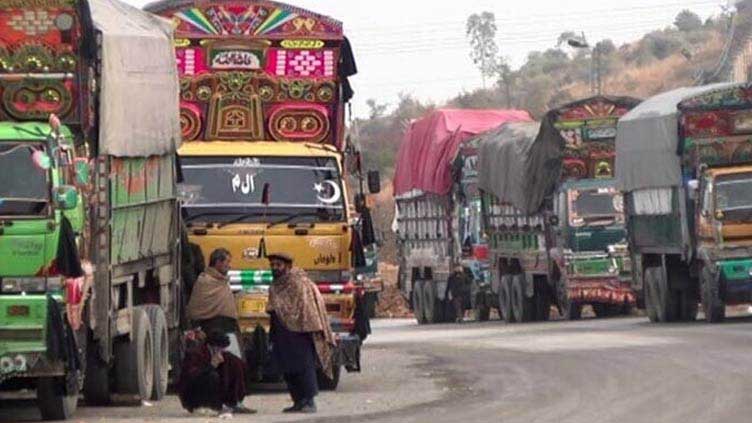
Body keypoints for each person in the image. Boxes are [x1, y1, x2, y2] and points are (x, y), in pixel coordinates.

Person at [266, 252, 336, 414]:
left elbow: (306, 307)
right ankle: (298, 400)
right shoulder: (276, 285)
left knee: (303, 366)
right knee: (287, 366)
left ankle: (309, 400)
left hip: (301, 330)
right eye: (273, 265)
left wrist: (305, 324)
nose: (275, 268)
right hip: (282, 330)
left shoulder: (299, 283)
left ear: (288, 266)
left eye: (279, 265)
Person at [177, 329, 255, 416]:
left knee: (234, 362)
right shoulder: (195, 353)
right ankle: (210, 406)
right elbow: (191, 378)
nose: (220, 351)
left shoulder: (221, 353)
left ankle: (234, 402)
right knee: (211, 376)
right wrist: (211, 365)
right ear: (211, 346)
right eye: (219, 348)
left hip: (213, 391)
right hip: (193, 395)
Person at [187, 248, 238, 334]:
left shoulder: (222, 281)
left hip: (228, 328)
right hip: (210, 328)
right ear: (218, 262)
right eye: (227, 262)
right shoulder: (205, 281)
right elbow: (196, 310)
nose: (230, 266)